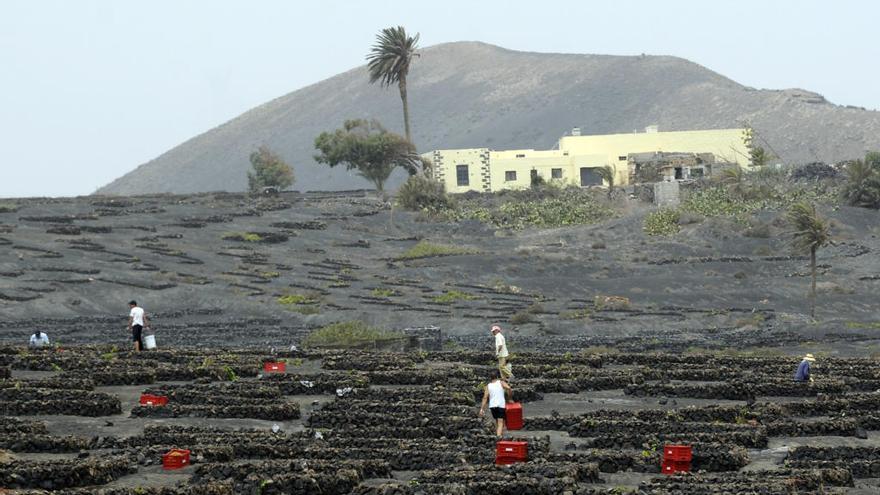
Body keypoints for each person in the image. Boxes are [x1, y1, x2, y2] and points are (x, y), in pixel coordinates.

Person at [479, 369, 513, 437]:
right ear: (497, 376)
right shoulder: (501, 382)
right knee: (501, 422)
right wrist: (509, 398)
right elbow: (509, 388)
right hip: (500, 405)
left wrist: (482, 409)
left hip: (492, 406)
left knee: (498, 421)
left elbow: (485, 398)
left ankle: (499, 435)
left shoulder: (488, 386)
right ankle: (498, 438)